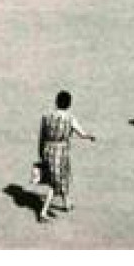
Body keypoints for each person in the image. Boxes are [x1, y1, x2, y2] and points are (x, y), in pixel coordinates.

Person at [35, 90, 96, 223]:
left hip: (48, 150)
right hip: (61, 152)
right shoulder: (70, 118)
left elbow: (42, 136)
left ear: (56, 101)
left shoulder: (46, 116)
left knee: (62, 177)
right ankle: (43, 212)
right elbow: (81, 133)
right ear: (69, 104)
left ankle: (67, 203)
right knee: (55, 182)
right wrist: (89, 136)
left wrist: (40, 152)